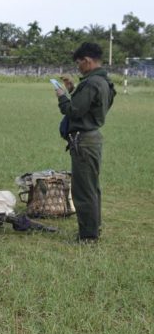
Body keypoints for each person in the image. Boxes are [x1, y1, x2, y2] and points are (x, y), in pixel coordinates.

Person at [56, 42, 115, 243]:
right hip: (93, 138)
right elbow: (90, 107)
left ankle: (88, 236)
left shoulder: (91, 83)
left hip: (84, 140)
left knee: (83, 190)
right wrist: (73, 90)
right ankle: (93, 228)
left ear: (87, 61)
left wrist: (62, 96)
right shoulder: (104, 82)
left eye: (79, 63)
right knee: (92, 187)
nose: (78, 67)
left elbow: (73, 111)